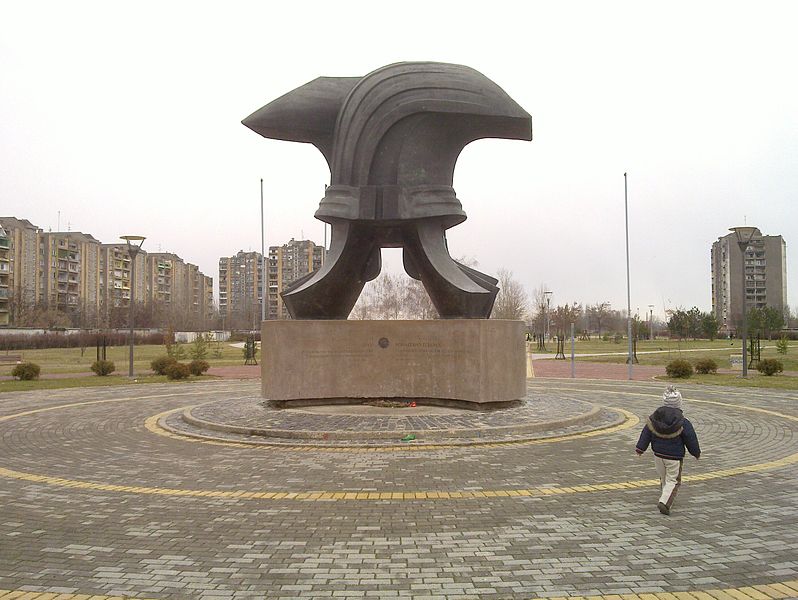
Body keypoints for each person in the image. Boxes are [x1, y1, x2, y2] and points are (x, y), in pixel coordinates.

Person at [635, 385, 701, 515]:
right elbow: (690, 438)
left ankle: (664, 496)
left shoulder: (654, 418)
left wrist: (640, 448)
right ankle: (665, 502)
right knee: (674, 480)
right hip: (674, 457)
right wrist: (696, 452)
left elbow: (646, 433)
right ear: (679, 403)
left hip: (658, 455)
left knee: (664, 477)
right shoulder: (683, 422)